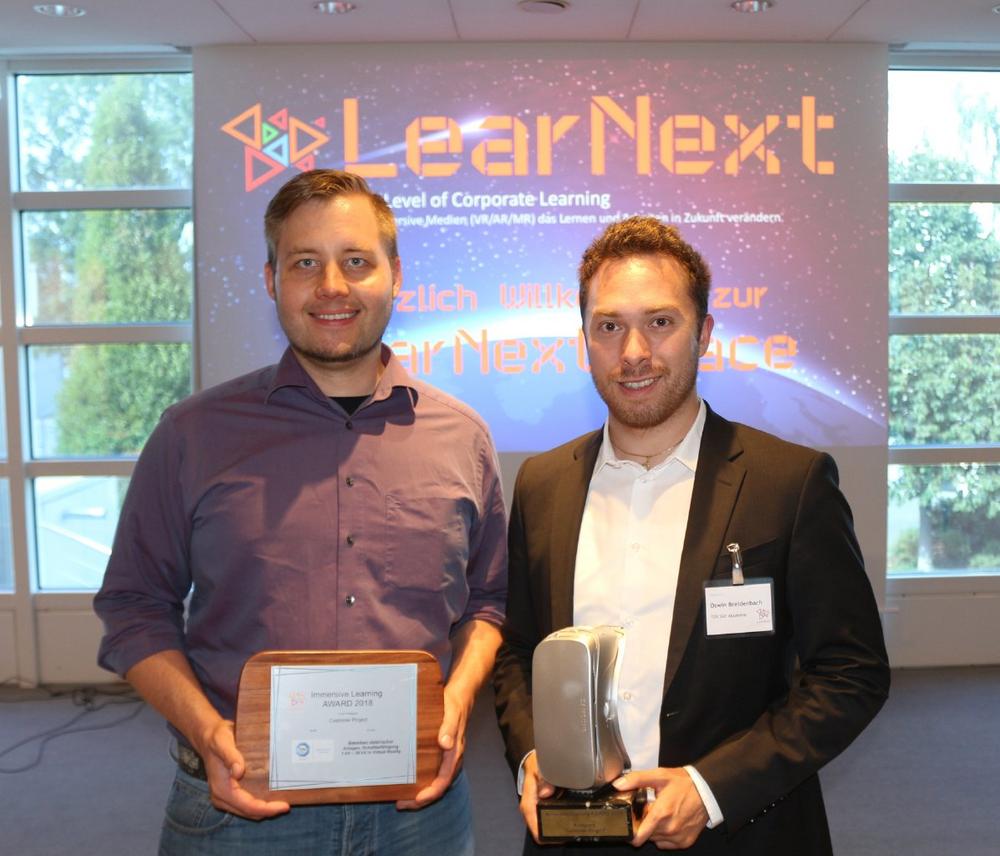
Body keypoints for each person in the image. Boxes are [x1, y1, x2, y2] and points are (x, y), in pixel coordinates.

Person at [94, 169, 506, 855]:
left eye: (356, 261)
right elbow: (134, 607)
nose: (332, 286)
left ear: (396, 276)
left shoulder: (462, 439)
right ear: (271, 280)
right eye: (305, 263)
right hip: (238, 809)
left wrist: (459, 698)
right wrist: (206, 730)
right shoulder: (193, 434)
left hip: (420, 813)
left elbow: (488, 603)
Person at [492, 216, 889, 855]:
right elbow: (517, 652)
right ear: (584, 339)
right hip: (572, 836)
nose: (633, 352)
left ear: (704, 333)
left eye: (661, 322)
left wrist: (710, 790)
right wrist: (534, 753)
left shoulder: (789, 483)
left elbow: (851, 673)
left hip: (743, 832)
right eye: (609, 326)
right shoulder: (542, 484)